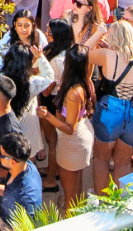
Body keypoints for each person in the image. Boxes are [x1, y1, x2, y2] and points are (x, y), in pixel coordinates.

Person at [37, 43, 93, 210]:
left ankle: (71, 223)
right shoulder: (82, 82)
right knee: (76, 184)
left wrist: (48, 116)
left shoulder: (73, 92)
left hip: (72, 142)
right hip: (79, 138)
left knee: (70, 193)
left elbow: (70, 128)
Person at [87, 16, 133, 192]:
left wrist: (98, 33)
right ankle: (120, 204)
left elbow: (80, 52)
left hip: (110, 111)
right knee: (123, 162)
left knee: (101, 159)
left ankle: (101, 201)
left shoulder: (108, 55)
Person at [0, 131, 43, 230]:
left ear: (13, 162)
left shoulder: (27, 198)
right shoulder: (24, 165)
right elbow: (11, 192)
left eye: (1, 155)